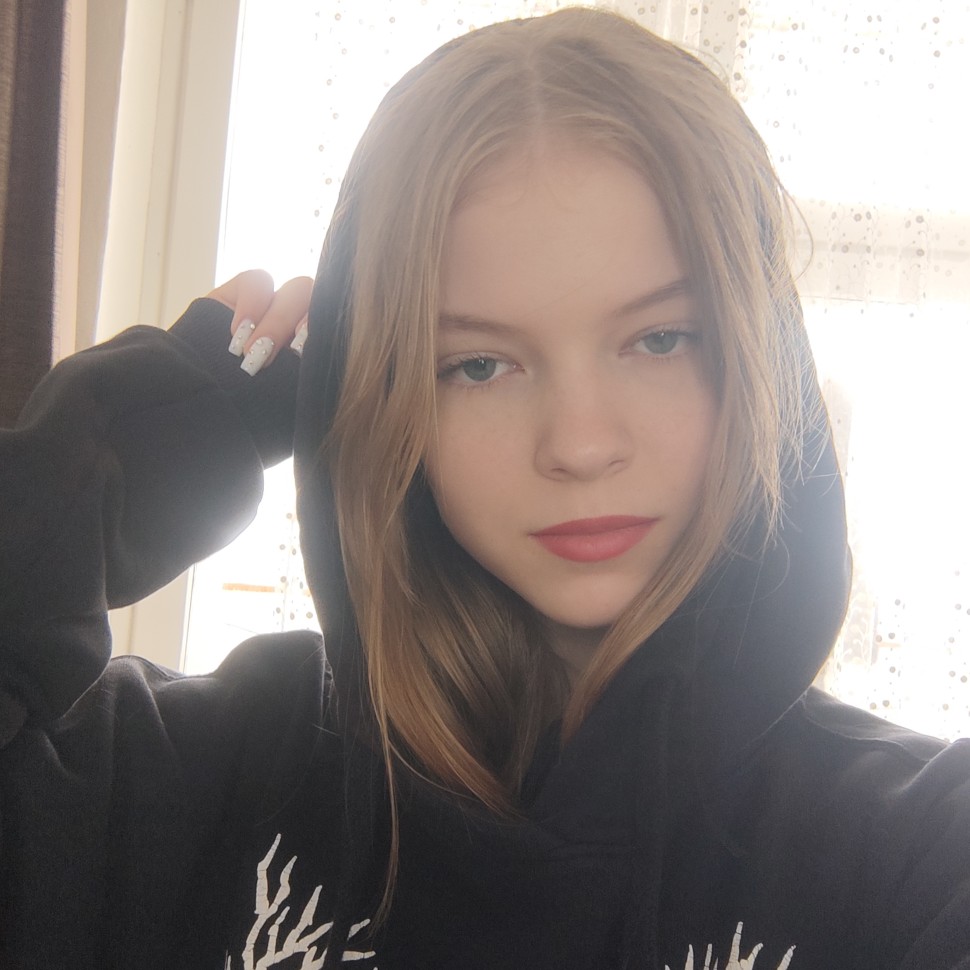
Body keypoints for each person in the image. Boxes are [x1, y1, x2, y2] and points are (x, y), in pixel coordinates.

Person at [1, 8, 969, 969]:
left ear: (765, 360)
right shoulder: (181, 779)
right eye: (476, 364)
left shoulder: (922, 853)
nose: (579, 445)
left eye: (660, 339)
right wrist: (115, 452)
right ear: (380, 394)